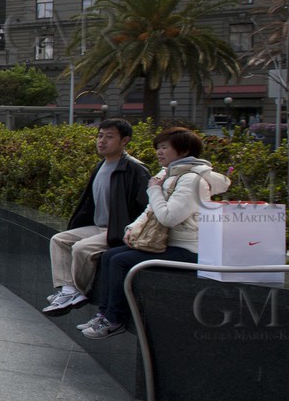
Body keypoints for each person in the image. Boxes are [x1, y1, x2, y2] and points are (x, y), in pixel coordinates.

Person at [81, 128, 231, 339]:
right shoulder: (168, 173)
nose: (159, 152)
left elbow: (169, 217)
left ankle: (114, 319)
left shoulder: (192, 180)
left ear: (184, 150)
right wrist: (132, 228)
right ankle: (104, 314)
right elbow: (150, 210)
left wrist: (154, 190)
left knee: (120, 261)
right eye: (158, 148)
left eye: (164, 148)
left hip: (187, 249)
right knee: (109, 255)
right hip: (166, 243)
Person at [42, 119, 150, 315]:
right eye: (100, 136)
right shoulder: (101, 166)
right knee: (59, 240)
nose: (102, 141)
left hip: (118, 230)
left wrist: (131, 230)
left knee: (82, 249)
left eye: (109, 137)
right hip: (98, 227)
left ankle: (79, 291)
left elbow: (145, 206)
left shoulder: (135, 169)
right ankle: (68, 289)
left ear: (125, 140)